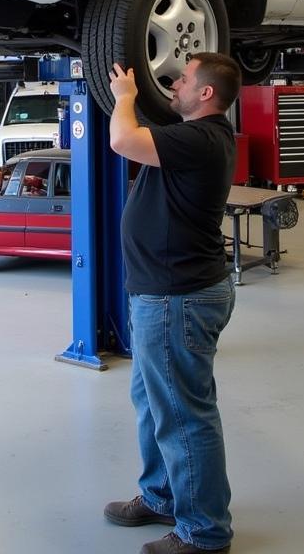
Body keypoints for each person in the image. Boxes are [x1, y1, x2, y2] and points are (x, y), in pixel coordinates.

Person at [103, 53, 240, 554]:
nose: (174, 83)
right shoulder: (194, 137)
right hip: (164, 295)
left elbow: (123, 139)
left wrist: (124, 99)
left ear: (206, 93)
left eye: (183, 79)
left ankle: (204, 533)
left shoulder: (202, 139)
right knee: (154, 404)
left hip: (176, 298)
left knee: (183, 414)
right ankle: (162, 495)